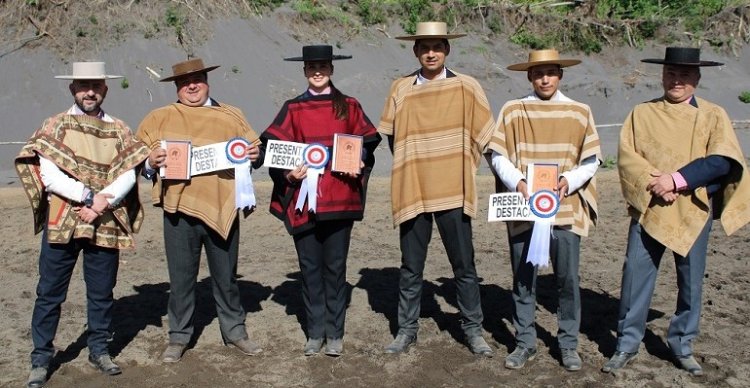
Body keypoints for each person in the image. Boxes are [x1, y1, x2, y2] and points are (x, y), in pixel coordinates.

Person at [603, 47, 750, 376]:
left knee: (691, 281)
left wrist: (677, 180)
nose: (677, 80)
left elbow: (723, 159)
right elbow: (627, 156)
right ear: (662, 75)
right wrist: (655, 183)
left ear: (696, 78)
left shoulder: (713, 115)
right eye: (671, 73)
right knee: (635, 278)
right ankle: (626, 343)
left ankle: (682, 344)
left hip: (692, 210)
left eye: (685, 75)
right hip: (650, 207)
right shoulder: (641, 113)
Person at [15, 61, 150, 388]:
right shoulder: (56, 125)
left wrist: (103, 201)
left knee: (102, 292)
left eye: (96, 86)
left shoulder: (119, 128)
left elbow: (128, 173)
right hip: (65, 219)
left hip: (105, 218)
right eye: (83, 86)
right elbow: (49, 175)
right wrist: (90, 197)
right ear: (72, 88)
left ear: (105, 88)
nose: (90, 91)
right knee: (49, 293)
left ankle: (99, 349)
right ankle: (41, 357)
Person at [377, 21, 495, 356]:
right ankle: (406, 330)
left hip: (453, 189)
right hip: (413, 187)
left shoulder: (467, 87)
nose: (431, 52)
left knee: (464, 266)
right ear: (415, 50)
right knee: (411, 267)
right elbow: (392, 135)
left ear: (447, 49)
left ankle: (473, 330)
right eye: (425, 47)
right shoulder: (400, 88)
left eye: (437, 46)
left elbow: (486, 136)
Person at [136, 58, 264, 362]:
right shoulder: (159, 117)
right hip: (178, 210)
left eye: (197, 80)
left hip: (224, 208)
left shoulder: (232, 114)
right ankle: (179, 337)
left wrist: (254, 154)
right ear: (177, 87)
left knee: (226, 276)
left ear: (207, 81)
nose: (192, 86)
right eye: (184, 82)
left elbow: (254, 152)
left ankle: (235, 332)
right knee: (180, 279)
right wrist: (149, 163)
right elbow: (139, 158)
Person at [260, 45, 381, 357]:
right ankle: (315, 332)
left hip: (339, 200)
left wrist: (360, 159)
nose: (317, 71)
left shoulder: (349, 106)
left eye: (323, 66)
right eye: (311, 66)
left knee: (336, 269)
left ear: (331, 68)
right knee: (310, 268)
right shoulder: (292, 108)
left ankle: (335, 333)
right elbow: (273, 149)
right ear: (304, 70)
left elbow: (367, 142)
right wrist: (289, 174)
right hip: (303, 202)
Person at [487, 49, 601, 371]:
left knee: (567, 280)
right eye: (538, 73)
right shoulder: (513, 110)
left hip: (566, 210)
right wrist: (520, 183)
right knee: (524, 279)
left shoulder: (579, 112)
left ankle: (567, 345)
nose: (545, 78)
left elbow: (590, 160)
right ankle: (525, 342)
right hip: (524, 208)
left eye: (551, 72)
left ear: (561, 74)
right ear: (529, 76)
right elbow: (498, 155)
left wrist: (568, 179)